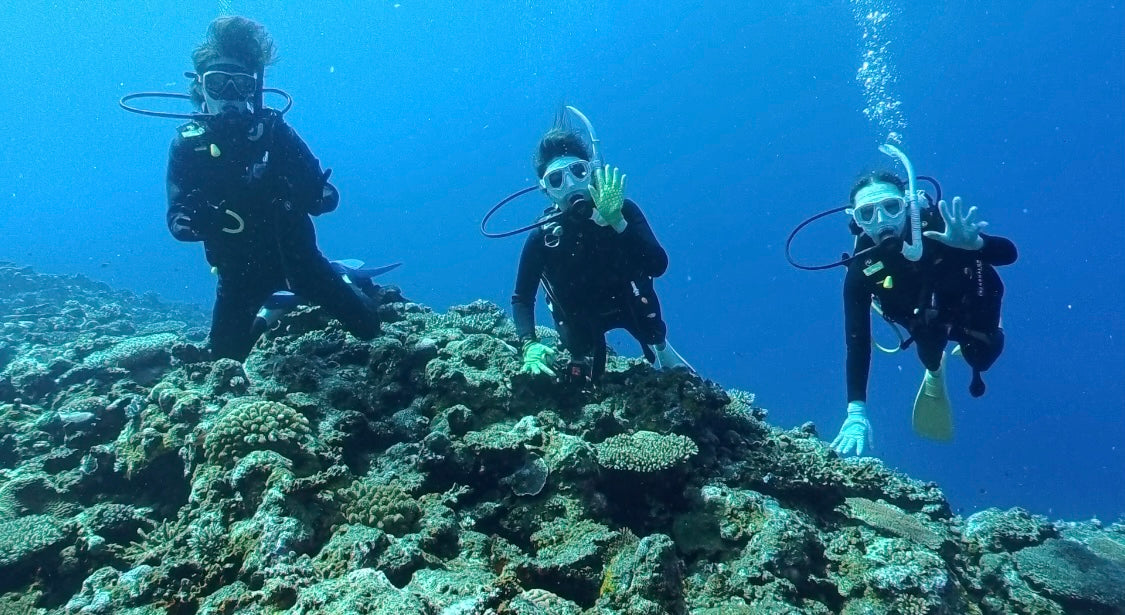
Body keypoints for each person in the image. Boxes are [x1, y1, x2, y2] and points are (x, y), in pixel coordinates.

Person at [165, 17, 380, 361]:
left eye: (241, 85)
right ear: (201, 89)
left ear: (255, 90)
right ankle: (273, 312)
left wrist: (314, 196)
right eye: (218, 83)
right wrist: (193, 224)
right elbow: (177, 215)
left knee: (371, 328)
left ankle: (346, 280)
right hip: (238, 277)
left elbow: (327, 195)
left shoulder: (277, 134)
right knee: (225, 363)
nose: (230, 96)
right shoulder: (189, 146)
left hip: (303, 264)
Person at [831, 171, 1017, 456]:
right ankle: (934, 369)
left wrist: (976, 244)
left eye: (891, 207)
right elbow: (857, 340)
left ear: (906, 204)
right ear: (855, 220)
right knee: (930, 349)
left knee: (982, 358)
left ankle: (986, 334)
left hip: (971, 304)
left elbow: (1009, 254)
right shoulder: (862, 269)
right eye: (867, 213)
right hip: (924, 320)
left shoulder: (939, 227)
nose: (881, 221)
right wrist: (856, 411)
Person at [510, 110, 691, 386]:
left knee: (650, 327)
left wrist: (617, 222)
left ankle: (662, 348)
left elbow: (658, 265)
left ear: (592, 171)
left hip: (631, 304)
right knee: (578, 346)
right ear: (546, 190)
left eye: (578, 171)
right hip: (579, 318)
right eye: (556, 180)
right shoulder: (544, 236)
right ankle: (580, 358)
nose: (570, 184)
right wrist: (528, 345)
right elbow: (522, 297)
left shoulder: (623, 211)